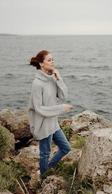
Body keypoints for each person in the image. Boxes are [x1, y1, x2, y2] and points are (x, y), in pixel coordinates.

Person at [27, 50, 74, 178]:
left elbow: (63, 95)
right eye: (49, 60)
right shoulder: (37, 83)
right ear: (41, 64)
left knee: (66, 148)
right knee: (45, 154)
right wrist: (61, 108)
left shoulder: (52, 79)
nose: (52, 62)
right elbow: (38, 108)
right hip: (42, 124)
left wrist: (59, 78)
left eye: (53, 59)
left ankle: (48, 169)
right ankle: (44, 178)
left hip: (53, 123)